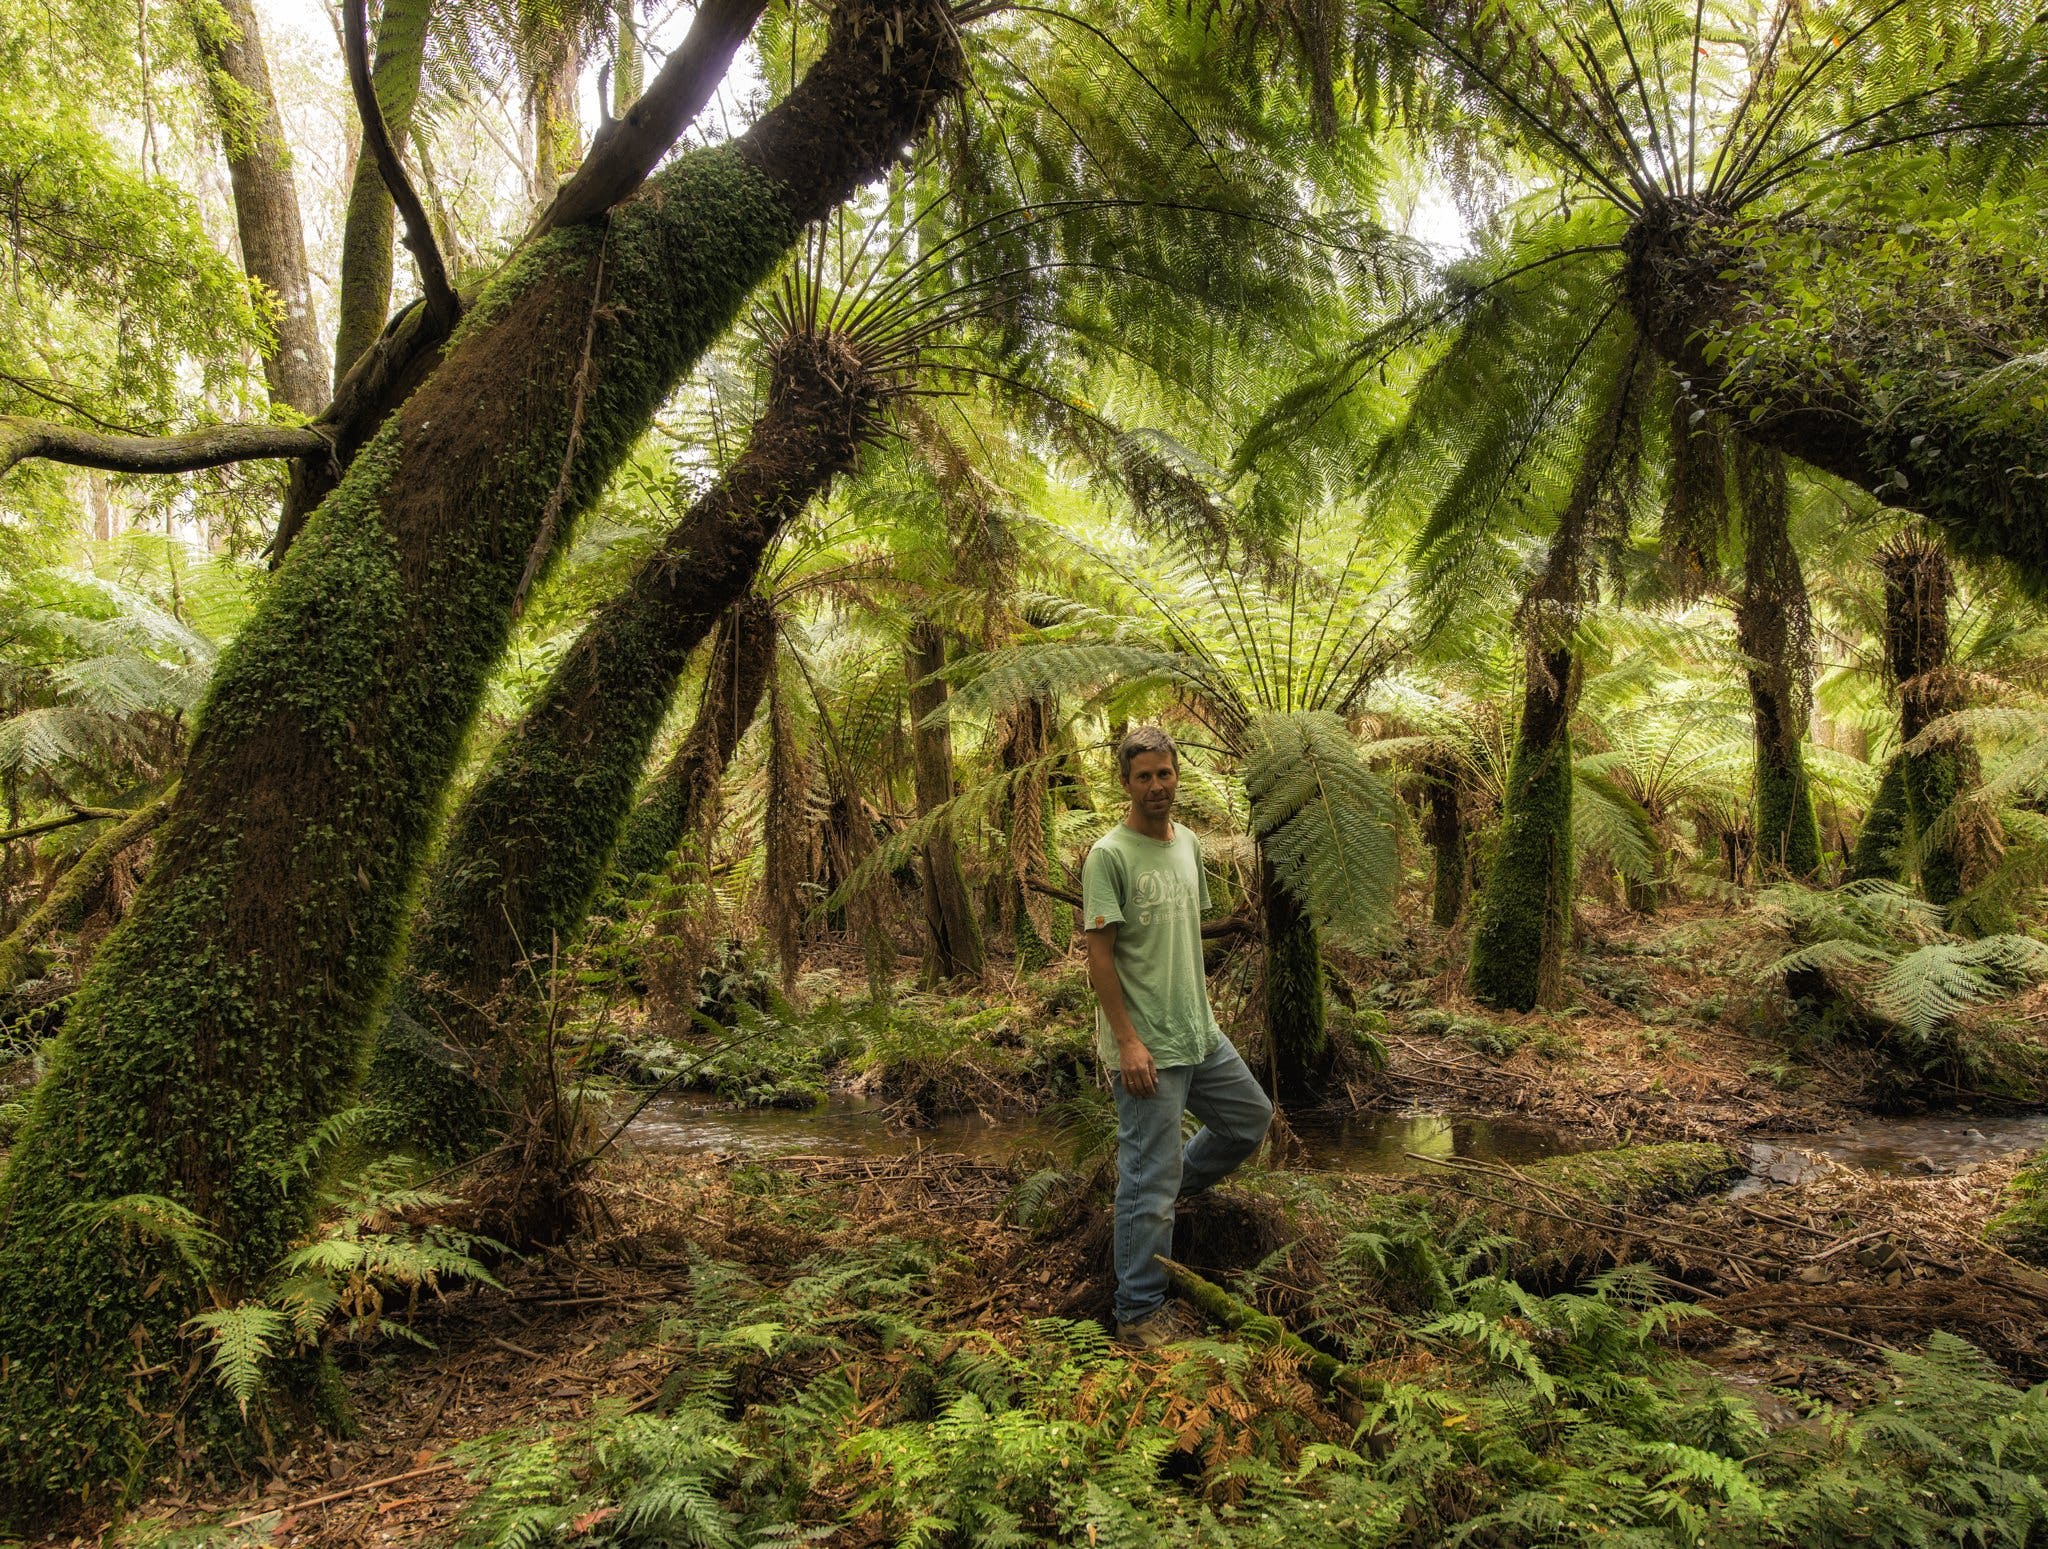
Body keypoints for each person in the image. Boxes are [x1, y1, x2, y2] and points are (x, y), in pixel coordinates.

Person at [1081, 726, 1274, 1347]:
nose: (1157, 786)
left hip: (1199, 1032)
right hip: (1146, 1048)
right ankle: (1136, 1315)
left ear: (1176, 775)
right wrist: (1128, 1042)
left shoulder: (1189, 843)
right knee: (1146, 1178)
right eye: (1144, 776)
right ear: (1126, 782)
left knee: (1249, 1120)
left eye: (1165, 774)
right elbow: (1100, 959)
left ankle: (1158, 1201)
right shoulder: (1108, 855)